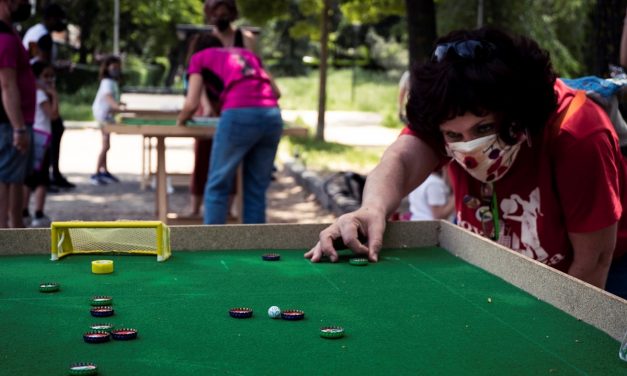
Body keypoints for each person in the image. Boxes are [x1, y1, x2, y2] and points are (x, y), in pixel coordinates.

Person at [305, 27, 627, 299]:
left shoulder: (579, 134)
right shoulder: (448, 111)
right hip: (502, 260)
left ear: (519, 116)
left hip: (604, 274)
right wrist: (371, 209)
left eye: (484, 129)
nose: (469, 148)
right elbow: (402, 159)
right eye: (453, 136)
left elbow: (594, 261)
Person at [177, 34, 282, 224]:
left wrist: (181, 121)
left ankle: (214, 248)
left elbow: (191, 104)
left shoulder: (199, 58)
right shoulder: (247, 54)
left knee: (217, 185)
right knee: (256, 188)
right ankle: (255, 248)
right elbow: (277, 92)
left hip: (239, 114)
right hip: (272, 116)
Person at [186, 0, 258, 218]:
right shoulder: (204, 41)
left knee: (236, 156)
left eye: (224, 13)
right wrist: (206, 104)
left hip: (237, 103)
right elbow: (198, 78)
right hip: (210, 104)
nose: (220, 17)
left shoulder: (245, 39)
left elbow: (255, 69)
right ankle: (196, 207)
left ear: (233, 13)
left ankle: (231, 208)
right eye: (216, 13)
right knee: (203, 156)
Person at [0, 0, 36, 228]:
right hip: (8, 124)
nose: (24, 3)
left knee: (13, 179)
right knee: (4, 179)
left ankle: (15, 230)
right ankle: (5, 237)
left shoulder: (10, 34)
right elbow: (7, 85)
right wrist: (18, 128)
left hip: (12, 123)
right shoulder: (4, 38)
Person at [22, 61, 57, 227]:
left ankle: (23, 211)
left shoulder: (29, 91)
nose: (49, 79)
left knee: (28, 178)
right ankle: (38, 213)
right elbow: (53, 115)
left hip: (33, 135)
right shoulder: (42, 95)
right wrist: (55, 96)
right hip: (42, 138)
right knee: (42, 178)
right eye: (46, 76)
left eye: (51, 76)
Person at [91, 56, 124, 186]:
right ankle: (96, 173)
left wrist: (118, 104)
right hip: (103, 116)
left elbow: (113, 98)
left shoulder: (112, 82)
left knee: (107, 145)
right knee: (105, 145)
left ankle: (104, 170)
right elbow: (108, 97)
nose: (116, 69)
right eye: (114, 67)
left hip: (107, 116)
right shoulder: (106, 82)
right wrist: (118, 107)